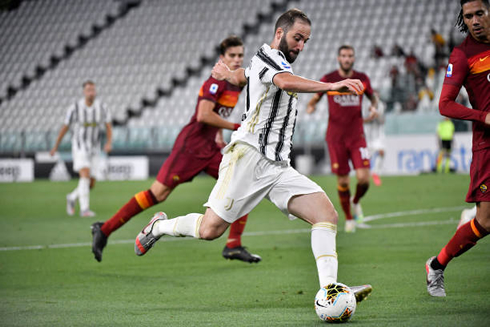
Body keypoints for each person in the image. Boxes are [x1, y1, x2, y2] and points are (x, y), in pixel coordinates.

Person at [133, 9, 372, 302]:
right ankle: (158, 226)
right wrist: (331, 86)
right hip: (248, 157)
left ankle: (330, 290)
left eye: (306, 41)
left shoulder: (270, 62)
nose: (301, 46)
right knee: (210, 230)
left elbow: (244, 76)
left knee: (326, 215)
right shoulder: (271, 58)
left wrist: (228, 74)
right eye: (298, 38)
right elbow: (283, 82)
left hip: (278, 166)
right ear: (280, 33)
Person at [91, 36, 261, 264]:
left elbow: (219, 114)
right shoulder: (216, 82)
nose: (238, 59)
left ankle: (233, 245)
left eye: (240, 55)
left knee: (240, 183)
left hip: (210, 149)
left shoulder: (236, 82)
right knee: (157, 194)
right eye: (232, 55)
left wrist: (220, 136)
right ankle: (105, 229)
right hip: (190, 148)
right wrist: (236, 127)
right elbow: (203, 115)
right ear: (222, 58)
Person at [426, 0, 490, 297]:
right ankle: (437, 265)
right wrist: (482, 116)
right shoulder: (463, 54)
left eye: (480, 13)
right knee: (485, 222)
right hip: (487, 144)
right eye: (469, 16)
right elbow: (444, 104)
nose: (475, 20)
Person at [306, 45, 378, 233]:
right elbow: (316, 96)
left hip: (357, 136)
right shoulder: (329, 79)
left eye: (350, 56)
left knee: (364, 180)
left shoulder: (362, 79)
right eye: (344, 56)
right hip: (336, 138)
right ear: (338, 58)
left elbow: (373, 98)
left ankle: (355, 201)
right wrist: (311, 105)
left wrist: (373, 107)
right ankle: (349, 218)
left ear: (353, 59)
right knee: (343, 182)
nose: (346, 59)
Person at [50, 81, 112, 217]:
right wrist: (56, 146)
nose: (91, 92)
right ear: (84, 92)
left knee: (91, 183)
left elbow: (108, 125)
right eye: (89, 90)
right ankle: (85, 210)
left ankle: (72, 197)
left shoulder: (102, 107)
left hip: (95, 147)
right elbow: (65, 127)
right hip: (79, 146)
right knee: (85, 174)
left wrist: (108, 142)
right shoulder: (75, 108)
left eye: (93, 90)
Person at [364, 90, 386, 186]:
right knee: (367, 157)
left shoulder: (381, 106)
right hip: (367, 134)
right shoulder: (364, 105)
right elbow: (361, 120)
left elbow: (382, 121)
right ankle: (365, 174)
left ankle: (376, 173)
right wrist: (370, 117)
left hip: (377, 134)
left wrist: (377, 115)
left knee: (381, 151)